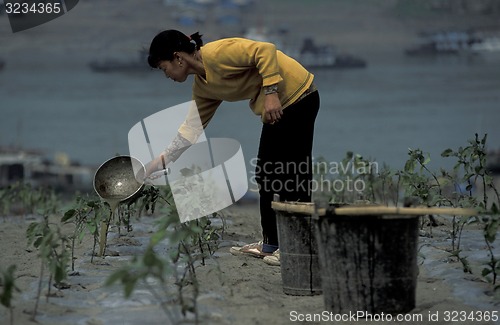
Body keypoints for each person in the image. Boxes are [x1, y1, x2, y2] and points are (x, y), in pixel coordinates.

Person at [145, 30, 320, 266]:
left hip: (299, 95)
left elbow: (265, 49)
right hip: (275, 109)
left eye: (163, 68)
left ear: (178, 57)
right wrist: (163, 160)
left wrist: (270, 92)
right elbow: (191, 128)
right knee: (265, 175)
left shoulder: (217, 54)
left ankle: (298, 247)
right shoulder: (203, 86)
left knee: (291, 174)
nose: (166, 75)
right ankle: (271, 245)